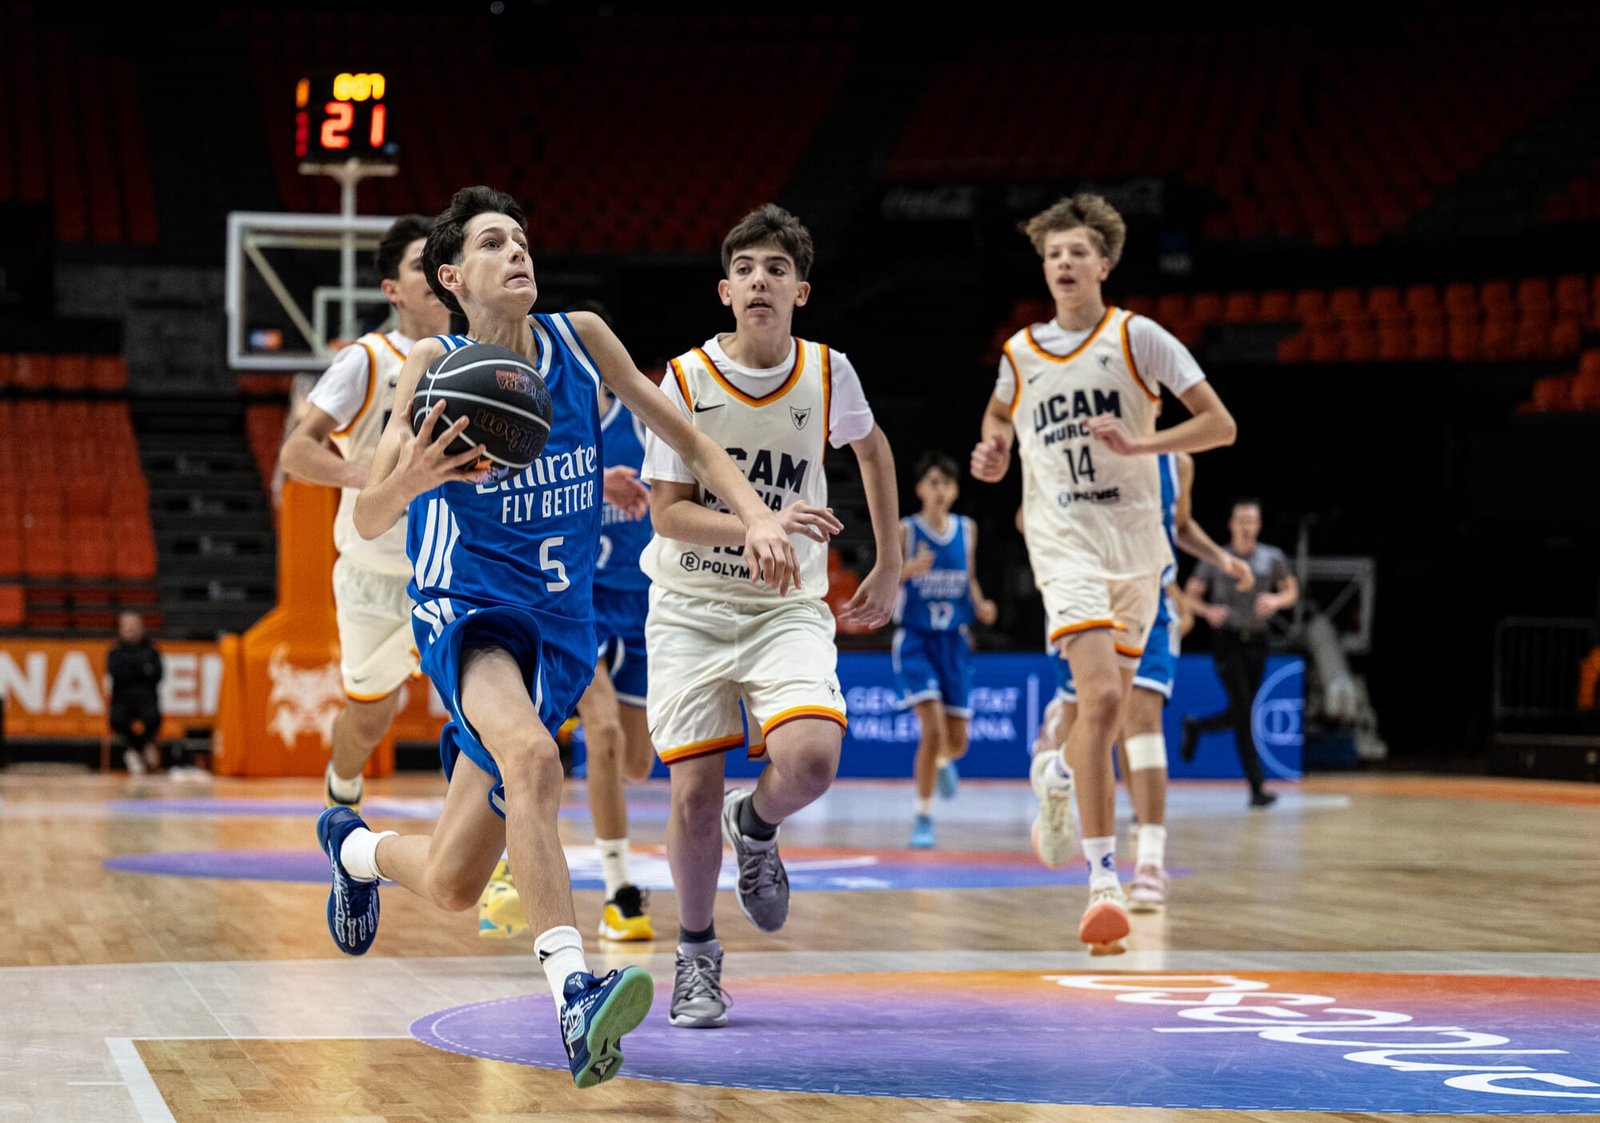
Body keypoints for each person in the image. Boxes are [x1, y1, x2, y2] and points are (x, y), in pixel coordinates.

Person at [323, 185, 800, 1089]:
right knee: (537, 761)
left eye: (523, 239)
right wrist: (415, 470)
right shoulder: (432, 358)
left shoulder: (581, 340)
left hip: (559, 624)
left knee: (458, 879)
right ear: (454, 276)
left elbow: (693, 443)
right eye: (495, 243)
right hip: (469, 614)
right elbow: (374, 515)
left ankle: (350, 850)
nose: (518, 253)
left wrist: (756, 517)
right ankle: (574, 991)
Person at [641, 204, 900, 1028]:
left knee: (815, 758)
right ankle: (695, 954)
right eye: (746, 267)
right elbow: (669, 513)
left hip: (784, 606)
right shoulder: (682, 380)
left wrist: (890, 557)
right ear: (725, 290)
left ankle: (755, 827)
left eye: (776, 268)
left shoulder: (829, 372)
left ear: (801, 290)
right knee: (689, 796)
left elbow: (873, 449)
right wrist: (757, 522)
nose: (760, 278)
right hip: (691, 605)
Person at [970, 193, 1237, 955]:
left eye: (1077, 252)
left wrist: (1142, 446)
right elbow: (997, 416)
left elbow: (1221, 425)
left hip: (1138, 550)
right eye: (1052, 252)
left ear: (1104, 264)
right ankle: (1103, 881)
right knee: (1105, 695)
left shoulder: (1139, 339)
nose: (1062, 263)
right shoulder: (1020, 353)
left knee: (1105, 718)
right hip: (1065, 543)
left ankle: (1055, 770)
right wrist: (992, 448)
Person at [278, 213, 451, 813]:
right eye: (415, 265)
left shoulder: (482, 357)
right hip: (375, 571)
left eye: (437, 261)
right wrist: (368, 476)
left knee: (490, 710)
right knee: (372, 714)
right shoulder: (368, 359)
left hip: (459, 566)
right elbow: (297, 451)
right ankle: (341, 794)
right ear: (392, 290)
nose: (430, 274)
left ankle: (503, 858)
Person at [1038, 451, 1251, 910]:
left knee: (1142, 717)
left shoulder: (1179, 463)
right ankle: (1056, 774)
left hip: (1152, 601)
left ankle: (1150, 863)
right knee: (1091, 724)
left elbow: (1179, 525)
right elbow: (1028, 514)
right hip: (1087, 594)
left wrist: (1221, 559)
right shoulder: (1078, 443)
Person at [574, 300, 659, 943]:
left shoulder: (647, 418)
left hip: (644, 606)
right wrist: (597, 482)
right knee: (599, 733)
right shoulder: (555, 420)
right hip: (579, 601)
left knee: (636, 763)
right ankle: (618, 889)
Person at [894, 450, 997, 849]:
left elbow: (968, 579)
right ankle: (923, 816)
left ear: (954, 491)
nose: (939, 490)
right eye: (932, 482)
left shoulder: (966, 529)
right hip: (917, 639)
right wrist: (907, 570)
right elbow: (884, 580)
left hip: (955, 641)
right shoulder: (906, 531)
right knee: (932, 728)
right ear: (920, 488)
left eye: (946, 483)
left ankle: (941, 762)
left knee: (956, 743)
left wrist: (981, 604)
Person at [1180, 498, 1299, 807]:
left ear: (1258, 525)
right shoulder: (1216, 558)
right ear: (1231, 524)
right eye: (1241, 520)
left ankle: (1198, 726)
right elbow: (1189, 595)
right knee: (1244, 711)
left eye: (1252, 521)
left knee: (1243, 710)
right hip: (1227, 641)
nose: (1247, 526)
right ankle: (1257, 787)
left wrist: (1276, 600)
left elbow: (1291, 591)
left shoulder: (1272, 558)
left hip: (1258, 641)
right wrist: (1207, 612)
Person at [107, 611, 163, 775]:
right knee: (117, 719)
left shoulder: (151, 649)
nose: (130, 630)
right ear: (121, 629)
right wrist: (141, 669)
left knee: (153, 718)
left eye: (134, 626)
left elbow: (158, 674)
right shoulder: (115, 650)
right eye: (127, 627)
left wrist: (131, 670)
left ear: (142, 628)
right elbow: (116, 673)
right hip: (122, 697)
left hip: (146, 695)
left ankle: (135, 749)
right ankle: (139, 748)